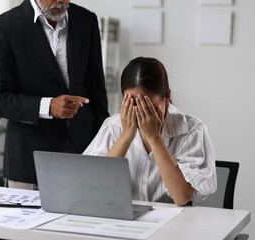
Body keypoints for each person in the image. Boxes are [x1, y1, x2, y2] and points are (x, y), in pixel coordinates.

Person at [0, 0, 109, 189]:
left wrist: (104, 144)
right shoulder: (3, 27)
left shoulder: (86, 20)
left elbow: (96, 89)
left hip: (83, 153)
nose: (61, 1)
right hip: (29, 161)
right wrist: (47, 106)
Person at [84, 57, 216, 206]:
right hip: (122, 220)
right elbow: (91, 186)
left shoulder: (192, 130)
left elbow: (182, 197)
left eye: (147, 106)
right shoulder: (112, 127)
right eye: (133, 104)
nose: (141, 113)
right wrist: (126, 137)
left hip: (175, 222)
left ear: (166, 98)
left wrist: (155, 138)